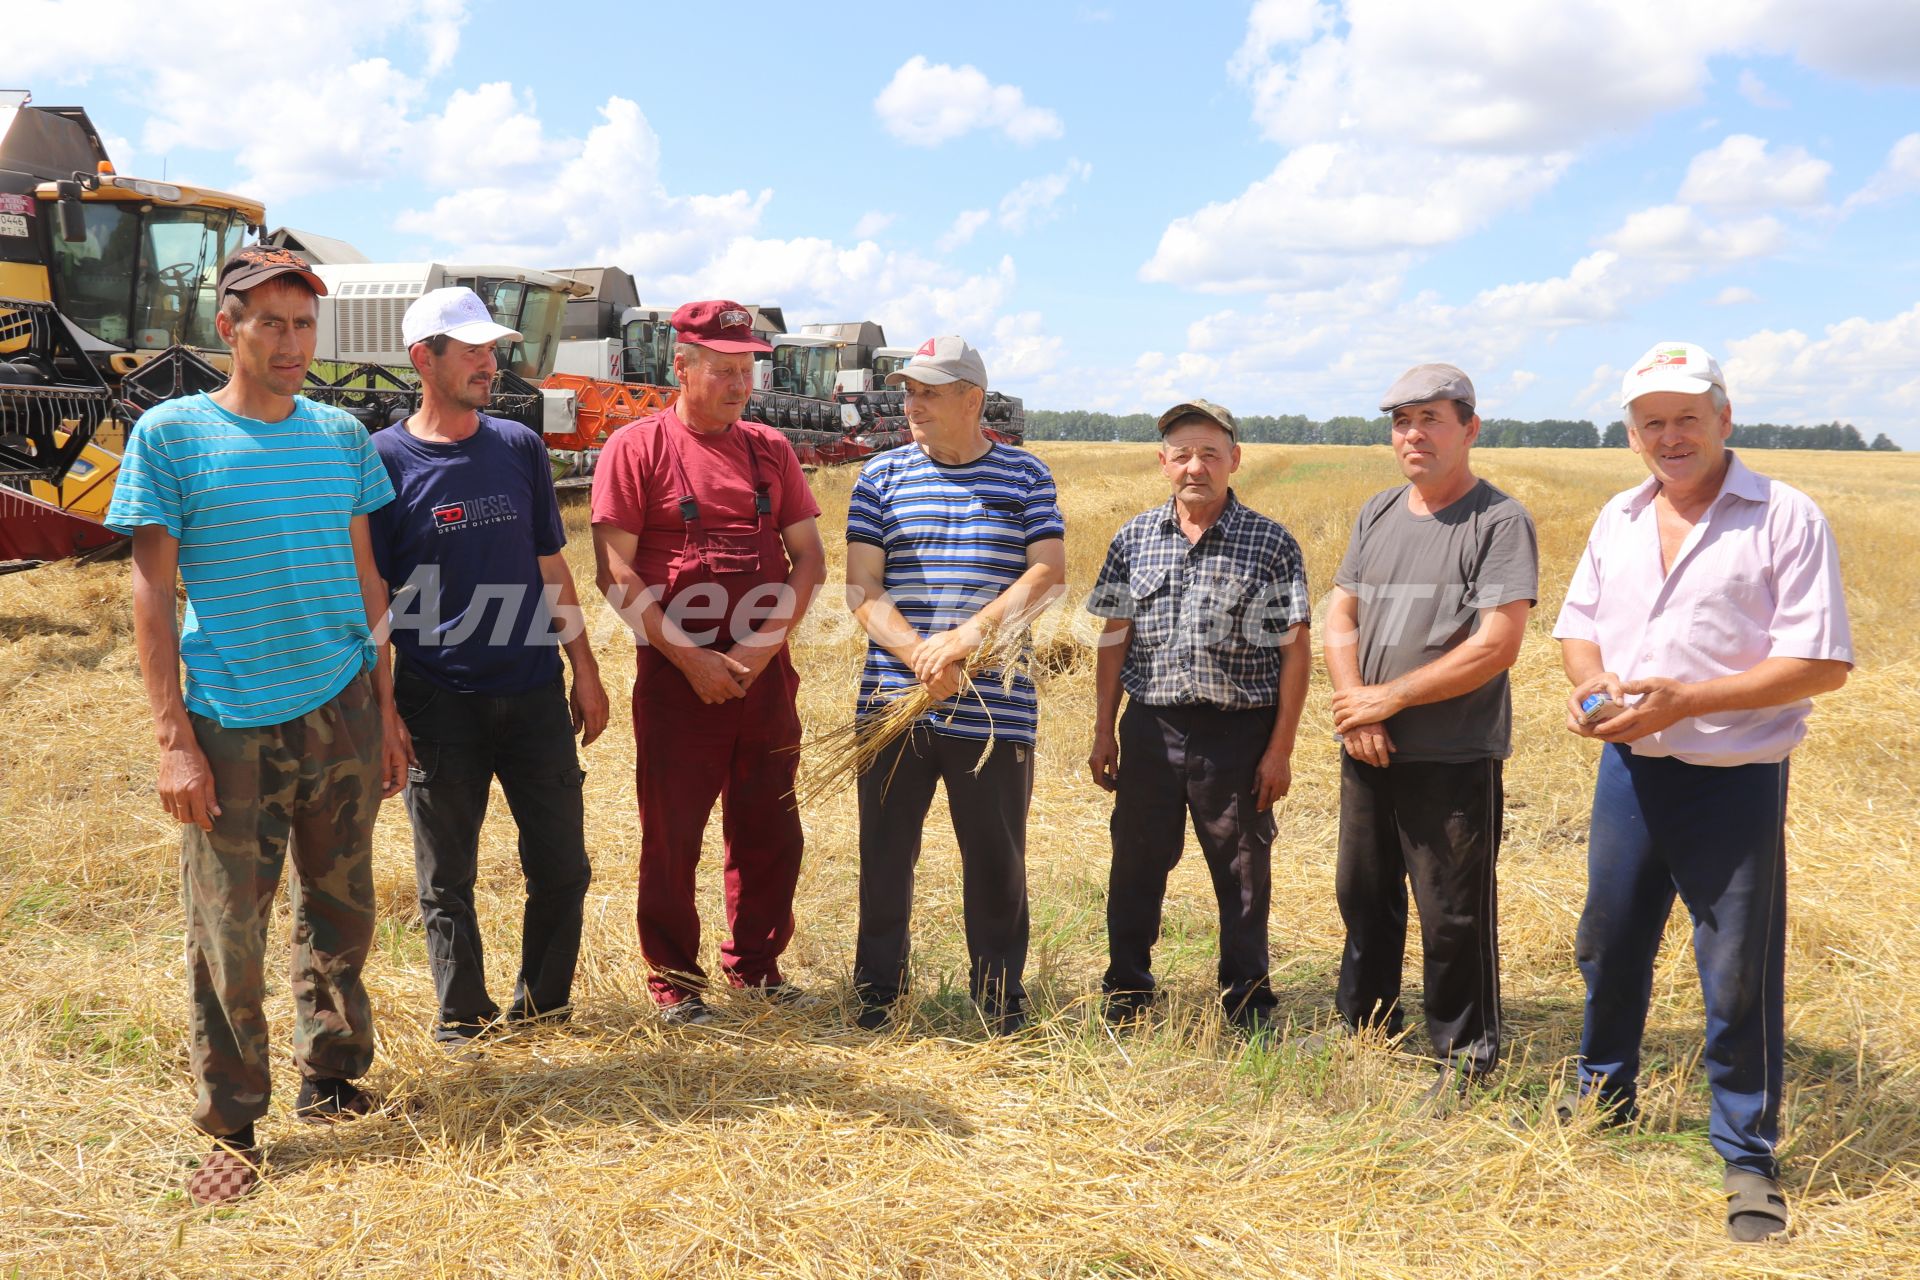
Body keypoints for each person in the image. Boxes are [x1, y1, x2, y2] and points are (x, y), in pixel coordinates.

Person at [104, 246, 407, 1206]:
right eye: (268, 322)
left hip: (343, 707)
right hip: (230, 717)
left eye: (303, 324)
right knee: (228, 929)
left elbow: (368, 578)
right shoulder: (173, 435)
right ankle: (233, 1124)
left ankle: (335, 1072)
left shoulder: (340, 435)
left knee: (343, 906)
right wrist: (171, 739)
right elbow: (153, 591)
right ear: (225, 327)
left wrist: (387, 710)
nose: (289, 342)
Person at [1553, 341, 1851, 1242]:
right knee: (1609, 941)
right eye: (1652, 422)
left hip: (1734, 779)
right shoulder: (1619, 515)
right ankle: (1602, 1097)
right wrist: (1590, 690)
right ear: (1633, 433)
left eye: (1687, 417)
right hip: (1628, 771)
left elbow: (1820, 662)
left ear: (1725, 417)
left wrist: (1688, 703)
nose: (1670, 436)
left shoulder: (1785, 516)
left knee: (1736, 968)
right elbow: (1578, 629)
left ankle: (1747, 1156)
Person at [369, 287, 609, 1051]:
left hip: (534, 688)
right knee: (447, 881)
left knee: (563, 867)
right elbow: (371, 597)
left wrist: (586, 668)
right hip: (438, 699)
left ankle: (543, 1007)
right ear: (423, 359)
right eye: (470, 350)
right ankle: (463, 1017)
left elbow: (550, 564)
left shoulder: (518, 447)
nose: (488, 361)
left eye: (490, 348)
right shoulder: (380, 461)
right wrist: (384, 711)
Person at [591, 300, 826, 1025]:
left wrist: (759, 650)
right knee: (673, 836)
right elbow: (615, 575)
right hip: (675, 676)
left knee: (770, 828)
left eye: (747, 368)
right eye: (722, 369)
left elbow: (810, 560)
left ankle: (756, 969)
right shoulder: (637, 448)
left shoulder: (770, 450)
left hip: (763, 676)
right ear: (680, 366)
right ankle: (675, 985)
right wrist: (692, 661)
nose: (738, 383)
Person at [1322, 363, 1536, 1086]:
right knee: (1363, 896)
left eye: (1431, 420)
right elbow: (1340, 613)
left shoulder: (1499, 521)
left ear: (1470, 429)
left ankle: (1464, 1056)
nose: (1414, 435)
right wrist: (1357, 704)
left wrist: (1392, 701)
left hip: (1451, 753)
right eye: (1402, 422)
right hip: (1367, 745)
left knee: (1451, 914)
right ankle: (1366, 1029)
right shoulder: (1378, 512)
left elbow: (1496, 644)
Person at [845, 336, 1066, 1035]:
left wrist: (967, 640)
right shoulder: (879, 477)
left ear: (973, 399)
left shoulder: (1026, 478)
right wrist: (920, 656)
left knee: (996, 860)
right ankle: (879, 997)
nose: (912, 404)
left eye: (929, 393)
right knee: (884, 857)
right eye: (908, 391)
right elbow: (860, 585)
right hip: (893, 704)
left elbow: (1047, 573)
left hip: (994, 710)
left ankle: (999, 1002)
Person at [1085, 399, 1311, 1035]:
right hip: (1150, 729)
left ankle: (1247, 1004)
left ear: (1235, 460)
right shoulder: (1133, 538)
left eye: (1210, 453)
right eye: (1182, 454)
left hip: (1237, 735)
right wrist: (1105, 728)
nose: (1196, 466)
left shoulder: (1271, 543)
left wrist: (1280, 750)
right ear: (1163, 463)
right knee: (1135, 864)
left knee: (1242, 872)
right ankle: (1127, 991)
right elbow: (1114, 635)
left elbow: (1296, 652)